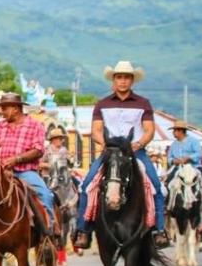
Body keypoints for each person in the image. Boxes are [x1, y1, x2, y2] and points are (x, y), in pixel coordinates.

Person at [72, 61, 168, 249]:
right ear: (114, 80)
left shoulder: (143, 103)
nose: (123, 81)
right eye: (119, 77)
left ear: (132, 81)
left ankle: (159, 230)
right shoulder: (102, 104)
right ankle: (83, 230)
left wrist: (138, 144)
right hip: (110, 152)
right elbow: (96, 130)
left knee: (156, 186)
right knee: (86, 185)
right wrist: (106, 143)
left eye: (126, 77)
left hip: (136, 152)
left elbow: (149, 130)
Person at [0, 93, 59, 241]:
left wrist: (16, 159)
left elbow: (39, 149)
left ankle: (49, 232)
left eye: (5, 108)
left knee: (45, 195)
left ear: (16, 108)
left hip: (25, 172)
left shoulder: (35, 125)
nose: (2, 111)